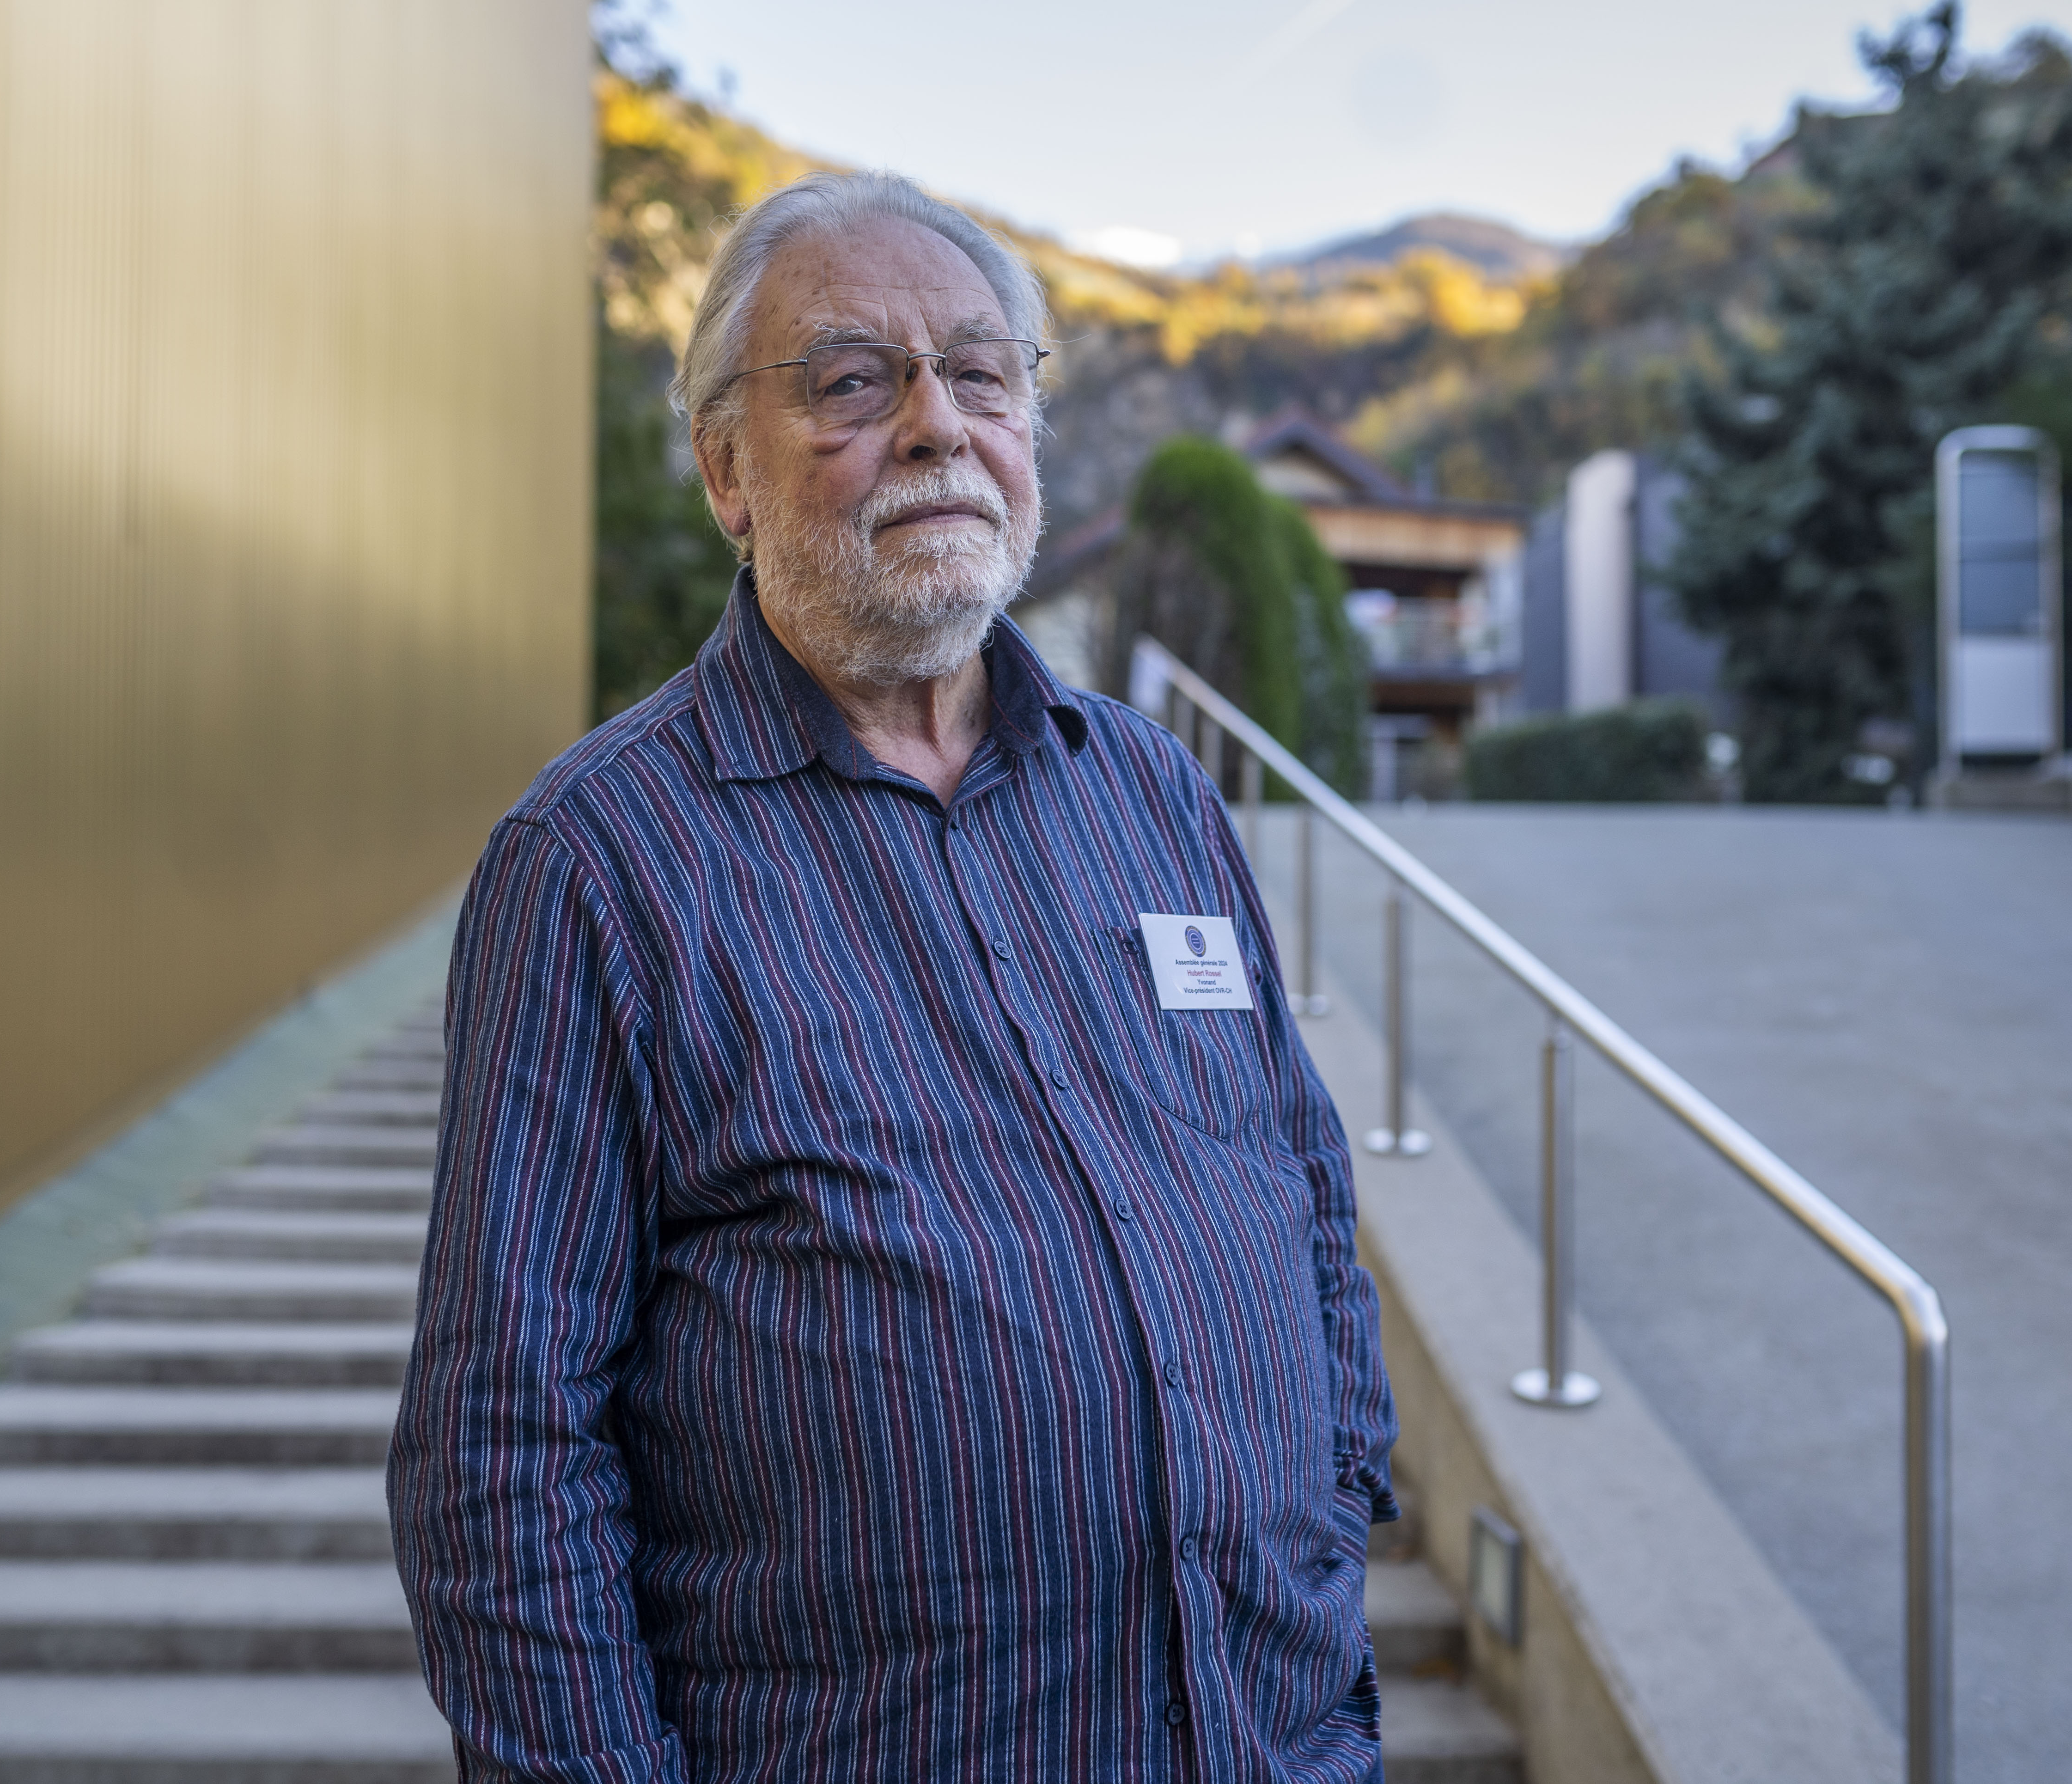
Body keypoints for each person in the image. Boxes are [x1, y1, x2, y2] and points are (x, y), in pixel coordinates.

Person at [389, 170, 1400, 1782]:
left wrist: (1332, 1529)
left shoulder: (1153, 794)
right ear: (727, 466)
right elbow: (500, 1455)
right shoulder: (600, 864)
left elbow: (1298, 1186)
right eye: (854, 381)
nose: (937, 422)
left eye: (982, 373)